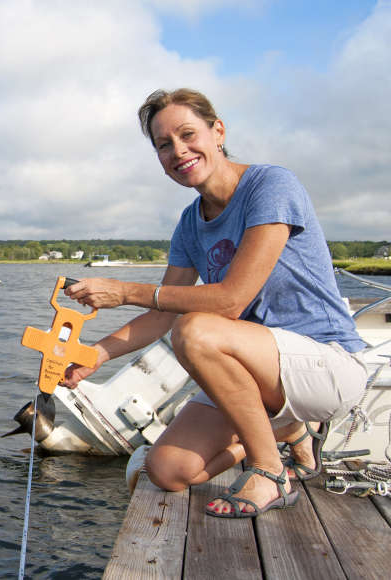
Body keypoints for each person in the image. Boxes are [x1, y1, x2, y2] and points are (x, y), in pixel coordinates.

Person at [61, 88, 368, 518]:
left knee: (196, 329)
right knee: (167, 469)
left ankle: (269, 471)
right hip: (258, 372)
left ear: (217, 130)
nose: (178, 151)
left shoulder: (271, 185)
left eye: (188, 134)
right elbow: (161, 313)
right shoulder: (190, 223)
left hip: (326, 364)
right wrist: (96, 354)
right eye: (164, 145)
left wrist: (124, 289)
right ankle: (289, 434)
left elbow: (230, 299)